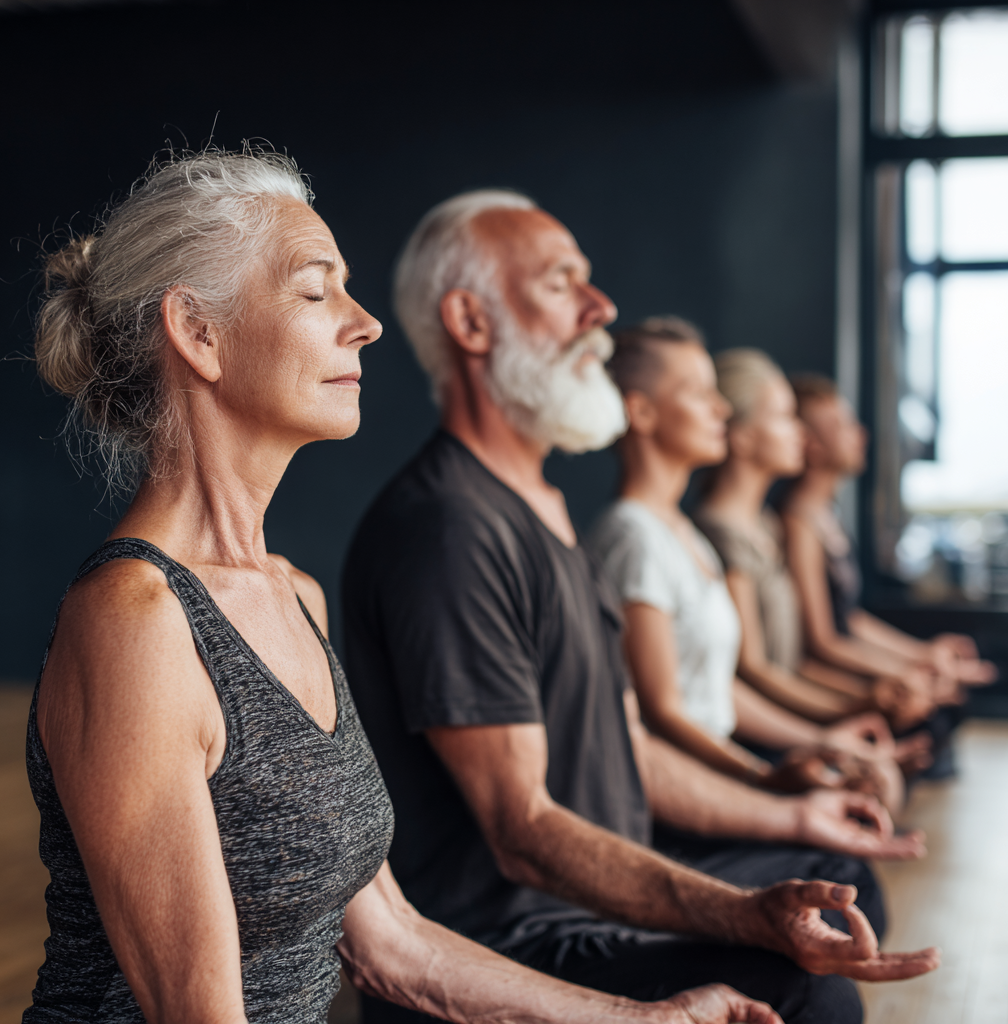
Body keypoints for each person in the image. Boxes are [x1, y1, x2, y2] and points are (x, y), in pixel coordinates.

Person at [23, 150, 789, 1024]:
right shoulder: (135, 620)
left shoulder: (294, 597)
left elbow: (393, 943)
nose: (366, 324)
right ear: (199, 334)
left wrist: (648, 1018)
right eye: (317, 291)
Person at [342, 189, 939, 1024]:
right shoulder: (449, 528)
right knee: (810, 993)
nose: (601, 308)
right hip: (515, 943)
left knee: (837, 881)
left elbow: (631, 747)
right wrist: (742, 913)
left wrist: (790, 806)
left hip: (591, 902)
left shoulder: (545, 510)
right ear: (470, 323)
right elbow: (521, 828)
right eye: (561, 284)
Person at [589, 318, 905, 813]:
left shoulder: (682, 533)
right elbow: (663, 711)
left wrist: (823, 741)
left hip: (716, 768)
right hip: (681, 794)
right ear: (641, 412)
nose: (721, 409)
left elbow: (719, 690)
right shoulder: (632, 536)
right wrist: (764, 779)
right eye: (699, 393)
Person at [694, 349, 939, 737]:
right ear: (741, 436)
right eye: (784, 418)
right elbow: (755, 669)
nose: (801, 434)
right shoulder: (721, 534)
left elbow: (796, 661)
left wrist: (877, 695)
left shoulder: (767, 525)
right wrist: (851, 711)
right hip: (762, 732)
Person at [780, 373, 996, 768]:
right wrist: (906, 676)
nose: (860, 434)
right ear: (811, 444)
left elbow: (851, 619)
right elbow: (823, 642)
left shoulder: (827, 515)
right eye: (842, 425)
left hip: (846, 667)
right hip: (825, 678)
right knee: (932, 720)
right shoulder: (799, 523)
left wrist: (923, 658)